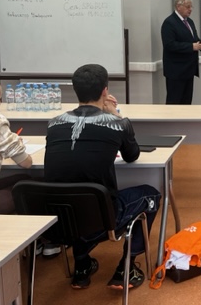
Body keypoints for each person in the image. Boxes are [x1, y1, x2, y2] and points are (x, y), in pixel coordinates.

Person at [44, 64, 161, 290]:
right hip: (100, 219)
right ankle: (126, 268)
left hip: (60, 220)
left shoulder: (54, 123)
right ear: (105, 91)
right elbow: (132, 155)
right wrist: (115, 114)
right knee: (151, 195)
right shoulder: (118, 124)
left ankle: (82, 267)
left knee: (74, 195)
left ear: (75, 90)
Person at [0, 77, 32, 214]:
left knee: (23, 179)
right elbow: (26, 163)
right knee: (29, 188)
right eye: (0, 98)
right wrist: (15, 143)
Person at [161, 0, 201, 104]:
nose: (190, 9)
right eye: (188, 7)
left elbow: (193, 38)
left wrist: (200, 44)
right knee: (174, 102)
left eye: (191, 7)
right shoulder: (169, 23)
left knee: (186, 103)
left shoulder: (190, 22)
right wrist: (191, 47)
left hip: (189, 70)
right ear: (178, 7)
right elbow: (169, 45)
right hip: (176, 71)